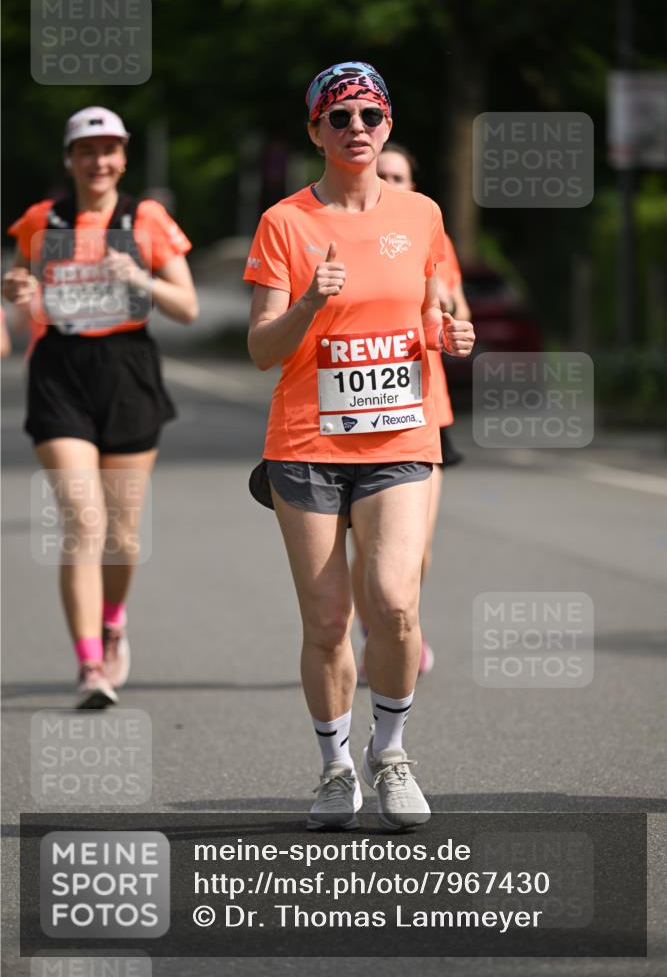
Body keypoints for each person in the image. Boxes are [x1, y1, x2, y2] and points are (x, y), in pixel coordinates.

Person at [245, 63, 474, 831]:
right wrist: (310, 299)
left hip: (400, 437)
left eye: (369, 115)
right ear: (314, 130)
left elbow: (437, 306)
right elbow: (260, 349)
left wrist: (450, 332)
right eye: (338, 116)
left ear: (387, 127)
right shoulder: (286, 223)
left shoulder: (422, 212)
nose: (355, 128)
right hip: (307, 443)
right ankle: (335, 767)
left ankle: (392, 752)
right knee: (325, 621)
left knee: (397, 604)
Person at [2, 106, 198, 708]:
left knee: (121, 532)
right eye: (87, 150)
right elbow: (19, 291)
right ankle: (90, 664)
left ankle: (114, 619)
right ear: (69, 158)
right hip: (60, 371)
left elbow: (186, 306)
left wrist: (139, 277)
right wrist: (18, 291)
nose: (99, 160)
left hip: (127, 373)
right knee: (83, 523)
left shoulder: (146, 218)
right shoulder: (43, 219)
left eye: (110, 149)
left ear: (124, 156)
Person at [354, 142, 472, 681]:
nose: (392, 183)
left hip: (425, 410)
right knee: (369, 545)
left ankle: (399, 623)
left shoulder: (428, 228)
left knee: (414, 546)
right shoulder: (345, 228)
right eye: (384, 174)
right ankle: (379, 630)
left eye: (401, 175)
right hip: (355, 414)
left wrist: (444, 304)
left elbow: (457, 312)